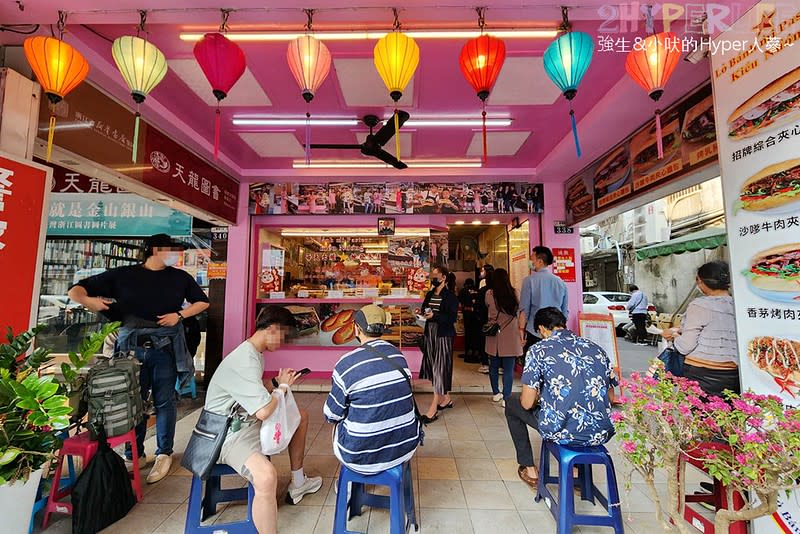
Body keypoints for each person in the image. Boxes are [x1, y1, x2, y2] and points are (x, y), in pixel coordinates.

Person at [68, 233, 209, 484]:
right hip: (130, 350)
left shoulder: (179, 278)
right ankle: (134, 453)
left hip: (164, 348)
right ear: (155, 250)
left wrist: (180, 315)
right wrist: (89, 301)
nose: (176, 254)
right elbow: (76, 290)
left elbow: (202, 302)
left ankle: (164, 452)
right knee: (133, 401)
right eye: (171, 249)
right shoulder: (123, 275)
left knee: (165, 400)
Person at [205, 306, 322, 534]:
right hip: (226, 433)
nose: (284, 342)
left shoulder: (253, 353)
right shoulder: (245, 360)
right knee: (267, 477)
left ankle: (298, 482)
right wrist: (284, 388)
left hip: (244, 419)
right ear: (272, 329)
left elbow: (256, 391)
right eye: (284, 335)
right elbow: (264, 412)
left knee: (301, 417)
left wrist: (277, 383)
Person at [505, 307, 615, 487]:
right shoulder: (595, 349)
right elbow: (610, 397)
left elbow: (526, 403)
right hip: (600, 431)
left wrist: (542, 398)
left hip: (562, 431)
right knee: (578, 410)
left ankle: (529, 469)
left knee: (511, 403)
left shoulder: (539, 350)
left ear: (541, 329)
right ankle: (576, 474)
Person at [324, 305, 421, 474]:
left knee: (339, 422)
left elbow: (331, 415)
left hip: (360, 456)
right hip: (405, 448)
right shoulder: (397, 355)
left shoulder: (346, 364)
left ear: (356, 328)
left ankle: (347, 488)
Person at [661, 261, 739, 398]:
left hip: (702, 373)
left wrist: (674, 336)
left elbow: (685, 346)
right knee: (726, 414)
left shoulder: (699, 305)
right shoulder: (739, 304)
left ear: (701, 281)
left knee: (702, 415)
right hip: (733, 373)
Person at [417, 265, 459, 423]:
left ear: (444, 278)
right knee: (433, 366)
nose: (433, 278)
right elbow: (425, 309)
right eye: (432, 275)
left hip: (443, 335)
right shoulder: (429, 294)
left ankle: (433, 408)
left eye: (436, 275)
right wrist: (421, 313)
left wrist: (434, 316)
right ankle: (446, 398)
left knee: (439, 368)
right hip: (430, 334)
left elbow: (451, 318)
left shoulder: (451, 297)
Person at [518, 246, 568, 356]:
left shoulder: (529, 281)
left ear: (540, 261)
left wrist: (521, 331)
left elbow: (524, 310)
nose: (530, 262)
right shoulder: (560, 282)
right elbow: (564, 312)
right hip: (556, 332)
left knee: (535, 365)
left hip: (535, 332)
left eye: (532, 258)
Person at [484, 268, 522, 406]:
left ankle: (496, 393)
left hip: (494, 333)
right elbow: (519, 311)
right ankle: (507, 397)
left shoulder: (489, 294)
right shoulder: (515, 292)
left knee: (493, 366)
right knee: (508, 368)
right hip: (510, 334)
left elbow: (487, 306)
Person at [474, 264, 495, 368]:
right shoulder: (501, 289)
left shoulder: (484, 288)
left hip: (484, 318)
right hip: (495, 319)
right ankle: (496, 364)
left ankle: (485, 363)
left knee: (483, 340)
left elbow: (480, 303)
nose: (481, 272)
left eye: (482, 271)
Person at [458, 279, 481, 361]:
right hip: (477, 315)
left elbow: (460, 301)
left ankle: (468, 352)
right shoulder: (478, 290)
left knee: (468, 333)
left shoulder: (463, 291)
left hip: (467, 315)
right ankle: (476, 351)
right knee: (476, 333)